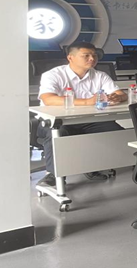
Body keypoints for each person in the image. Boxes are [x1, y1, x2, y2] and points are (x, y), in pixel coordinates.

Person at [37, 42, 128, 186]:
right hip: (56, 122)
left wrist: (117, 97)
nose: (92, 59)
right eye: (86, 56)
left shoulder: (100, 75)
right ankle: (53, 175)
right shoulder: (53, 75)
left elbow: (121, 94)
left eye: (94, 55)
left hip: (90, 120)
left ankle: (92, 166)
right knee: (58, 134)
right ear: (70, 58)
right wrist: (86, 102)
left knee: (116, 132)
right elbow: (48, 99)